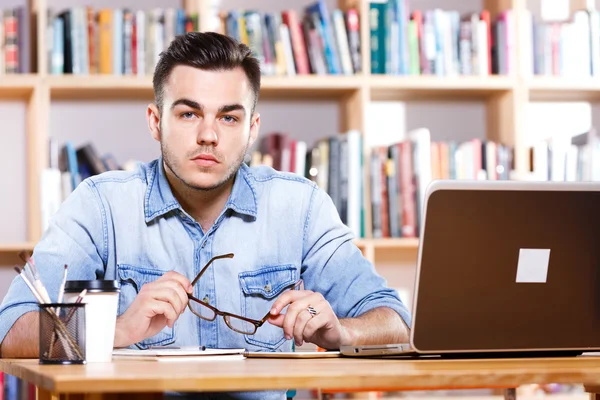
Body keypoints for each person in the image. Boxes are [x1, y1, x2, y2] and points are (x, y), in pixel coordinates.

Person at [0, 32, 411, 399]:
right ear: (156, 121)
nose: (208, 135)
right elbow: (10, 330)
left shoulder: (299, 206)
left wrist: (343, 331)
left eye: (228, 117)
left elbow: (397, 322)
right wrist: (116, 330)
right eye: (188, 114)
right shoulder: (99, 205)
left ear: (251, 129)